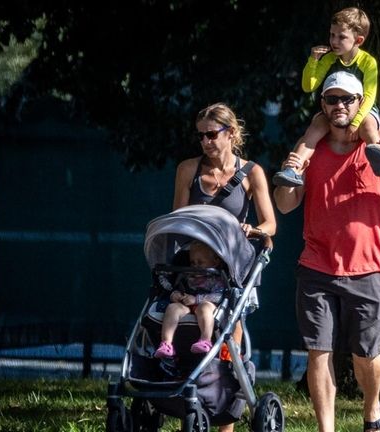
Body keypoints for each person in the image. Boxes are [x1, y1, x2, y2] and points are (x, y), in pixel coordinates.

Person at [273, 71, 380, 432]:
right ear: (322, 105)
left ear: (361, 103)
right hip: (317, 265)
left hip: (370, 268)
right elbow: (285, 205)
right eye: (332, 99)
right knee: (318, 352)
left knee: (365, 355)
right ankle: (327, 428)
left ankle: (372, 410)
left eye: (347, 99)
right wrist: (291, 170)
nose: (339, 106)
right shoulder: (311, 148)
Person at [172, 102, 276, 432]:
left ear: (230, 133)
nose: (205, 141)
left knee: (232, 333)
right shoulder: (188, 169)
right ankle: (188, 387)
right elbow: (178, 219)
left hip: (231, 269)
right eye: (200, 135)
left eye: (211, 134)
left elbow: (270, 223)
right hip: (195, 266)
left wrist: (254, 230)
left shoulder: (252, 173)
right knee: (185, 319)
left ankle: (226, 415)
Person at [272, 6, 380, 187]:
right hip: (333, 110)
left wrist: (356, 122)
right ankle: (293, 169)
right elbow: (309, 86)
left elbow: (370, 95)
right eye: (332, 35)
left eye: (341, 37)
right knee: (314, 128)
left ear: (358, 40)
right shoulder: (329, 59)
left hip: (363, 110)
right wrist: (313, 60)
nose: (334, 41)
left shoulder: (368, 62)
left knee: (369, 127)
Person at [154, 241, 228, 358]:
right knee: (172, 307)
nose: (196, 266)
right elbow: (175, 287)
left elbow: (219, 296)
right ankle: (166, 344)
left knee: (204, 308)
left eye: (200, 262)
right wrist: (175, 294)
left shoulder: (217, 279)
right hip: (186, 304)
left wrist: (197, 299)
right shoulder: (188, 275)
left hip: (207, 304)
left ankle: (205, 340)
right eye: (193, 263)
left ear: (215, 262)